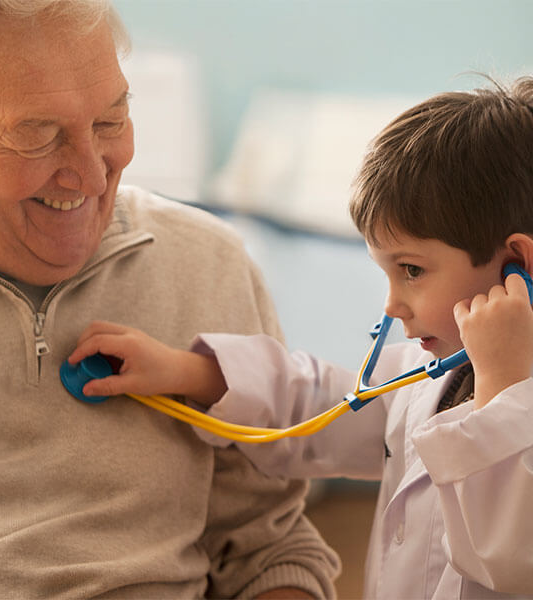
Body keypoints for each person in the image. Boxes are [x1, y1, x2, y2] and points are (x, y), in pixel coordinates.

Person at [0, 1, 340, 598]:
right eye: (38, 135)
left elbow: (267, 547)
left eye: (109, 121)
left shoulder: (206, 265)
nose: (93, 178)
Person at [68, 78, 533, 599]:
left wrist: (505, 388)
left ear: (516, 266)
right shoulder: (431, 376)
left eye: (412, 270)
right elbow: (320, 405)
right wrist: (188, 372)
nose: (391, 304)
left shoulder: (507, 390)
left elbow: (511, 556)